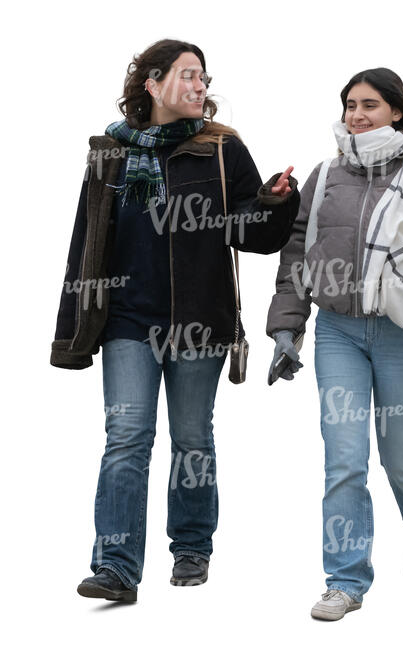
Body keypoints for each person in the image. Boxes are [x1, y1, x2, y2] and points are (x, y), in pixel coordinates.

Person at [50, 38, 300, 602]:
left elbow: (252, 233)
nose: (199, 88)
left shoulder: (222, 150)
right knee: (126, 438)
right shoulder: (109, 154)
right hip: (127, 323)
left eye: (205, 79)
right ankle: (115, 567)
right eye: (188, 76)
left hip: (199, 322)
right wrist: (71, 330)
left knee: (191, 439)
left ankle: (191, 546)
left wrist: (276, 201)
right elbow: (85, 244)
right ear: (152, 83)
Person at [266, 67, 403, 621]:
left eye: (368, 105)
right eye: (349, 106)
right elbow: (297, 248)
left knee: (399, 455)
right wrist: (287, 328)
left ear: (396, 111)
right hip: (338, 330)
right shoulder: (327, 174)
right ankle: (345, 580)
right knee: (343, 459)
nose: (356, 115)